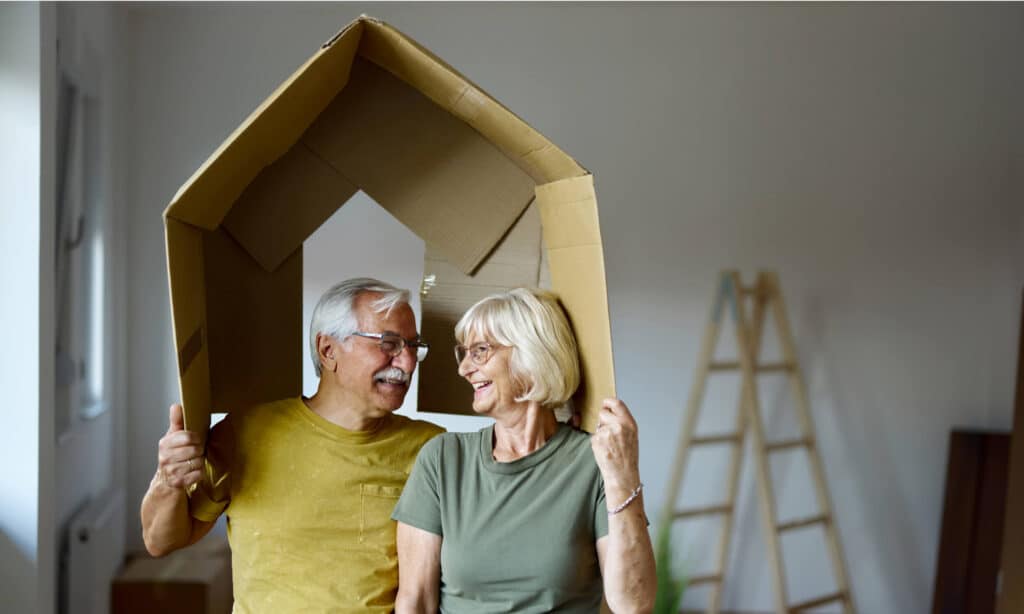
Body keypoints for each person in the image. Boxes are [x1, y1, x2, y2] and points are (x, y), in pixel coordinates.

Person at [140, 278, 444, 613]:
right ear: (328, 350)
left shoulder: (431, 449)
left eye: (413, 347)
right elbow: (159, 541)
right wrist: (167, 481)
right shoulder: (246, 432)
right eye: (389, 344)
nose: (408, 363)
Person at [392, 287, 656, 613]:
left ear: (531, 355)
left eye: (481, 351)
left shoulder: (594, 462)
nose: (464, 369)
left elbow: (633, 603)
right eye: (465, 353)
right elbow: (415, 600)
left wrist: (622, 475)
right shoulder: (443, 459)